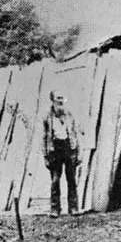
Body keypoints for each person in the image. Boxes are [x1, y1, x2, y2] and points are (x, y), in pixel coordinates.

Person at [42, 89, 80, 217]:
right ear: (52, 100)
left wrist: (77, 152)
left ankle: (73, 208)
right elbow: (44, 138)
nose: (61, 101)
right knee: (55, 180)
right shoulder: (47, 117)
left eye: (62, 98)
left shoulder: (69, 114)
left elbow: (75, 133)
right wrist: (46, 156)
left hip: (68, 148)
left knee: (72, 180)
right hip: (55, 150)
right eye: (58, 98)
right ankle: (55, 209)